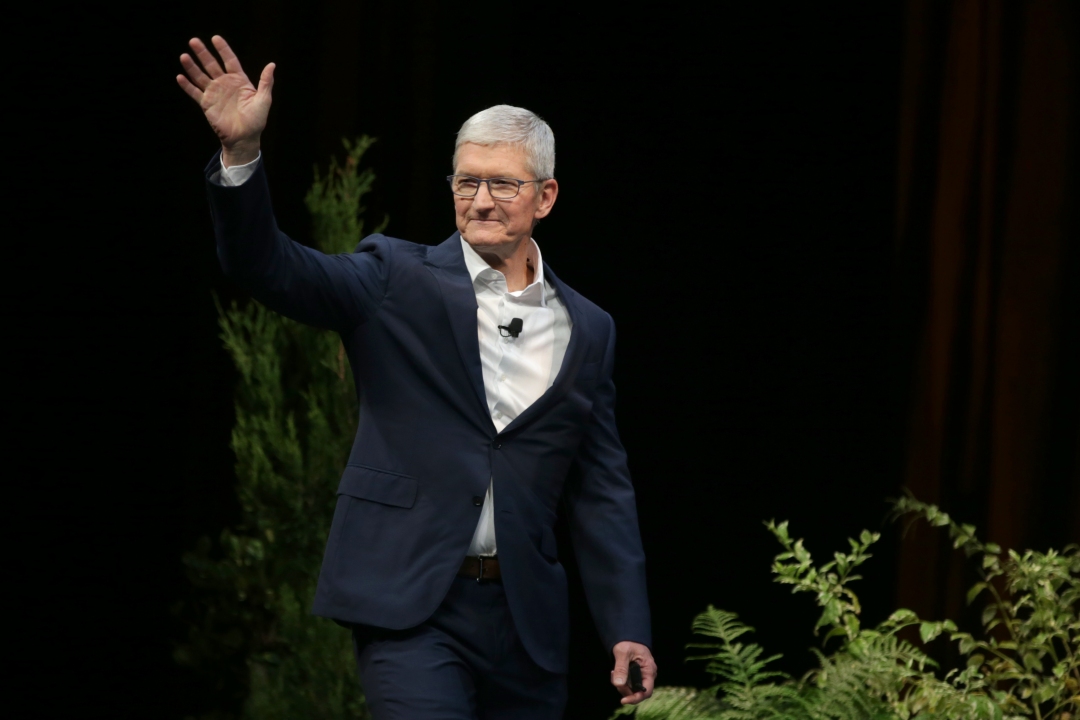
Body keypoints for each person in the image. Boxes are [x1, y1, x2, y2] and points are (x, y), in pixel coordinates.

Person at [177, 35, 656, 719]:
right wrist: (242, 155)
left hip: (524, 624)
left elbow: (601, 489)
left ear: (545, 196)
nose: (481, 200)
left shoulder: (589, 328)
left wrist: (626, 624)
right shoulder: (394, 279)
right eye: (467, 182)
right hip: (411, 607)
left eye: (503, 184)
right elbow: (270, 268)